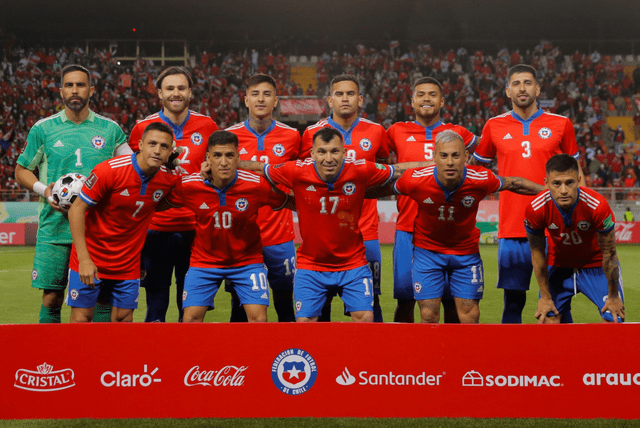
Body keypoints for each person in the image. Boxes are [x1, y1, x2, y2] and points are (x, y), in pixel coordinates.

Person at [371, 130, 543, 323]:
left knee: (470, 315)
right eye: (443, 155)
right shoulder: (417, 179)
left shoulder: (480, 179)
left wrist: (546, 191)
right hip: (428, 252)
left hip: (466, 254)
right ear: (434, 157)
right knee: (428, 314)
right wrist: (348, 191)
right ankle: (432, 354)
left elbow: (514, 184)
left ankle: (465, 353)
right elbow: (381, 189)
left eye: (455, 155)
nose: (450, 162)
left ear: (466, 157)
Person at [238, 127, 402, 322]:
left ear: (344, 152)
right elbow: (260, 169)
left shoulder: (360, 169)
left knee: (366, 318)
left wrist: (437, 165)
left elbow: (398, 171)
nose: (328, 158)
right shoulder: (296, 170)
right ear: (313, 153)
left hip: (352, 263)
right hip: (311, 265)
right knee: (305, 323)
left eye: (334, 151)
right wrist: (224, 166)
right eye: (322, 152)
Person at [15, 64, 130, 324]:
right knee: (51, 299)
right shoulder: (43, 129)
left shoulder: (110, 130)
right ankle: (51, 359)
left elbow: (130, 168)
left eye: (80, 85)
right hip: (54, 227)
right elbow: (21, 170)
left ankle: (97, 361)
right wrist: (45, 190)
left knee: (101, 298)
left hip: (98, 229)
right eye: (69, 85)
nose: (74, 90)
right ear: (61, 91)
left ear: (91, 89)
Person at [470, 64, 582, 324]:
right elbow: (475, 170)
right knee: (513, 301)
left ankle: (565, 363)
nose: (522, 88)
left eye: (528, 82)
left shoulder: (561, 124)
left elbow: (577, 174)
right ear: (508, 91)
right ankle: (510, 362)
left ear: (537, 88)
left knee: (559, 302)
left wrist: (579, 214)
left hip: (555, 227)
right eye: (517, 83)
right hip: (513, 228)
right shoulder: (494, 125)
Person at [166, 131, 291, 323]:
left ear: (238, 158)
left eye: (229, 155)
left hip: (247, 261)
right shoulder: (190, 185)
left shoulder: (256, 185)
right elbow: (156, 201)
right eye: (217, 155)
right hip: (204, 261)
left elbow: (287, 202)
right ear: (208, 158)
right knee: (189, 320)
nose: (223, 162)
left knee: (259, 320)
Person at [300, 74, 393, 322]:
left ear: (360, 99)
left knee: (371, 301)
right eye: (339, 94)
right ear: (330, 100)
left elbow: (383, 171)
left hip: (367, 233)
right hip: (324, 237)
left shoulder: (376, 131)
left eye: (350, 94)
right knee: (321, 309)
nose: (345, 98)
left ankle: (370, 360)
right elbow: (301, 177)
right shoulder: (311, 133)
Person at [129, 66, 218, 322]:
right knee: (156, 305)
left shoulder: (207, 125)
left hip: (197, 229)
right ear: (159, 93)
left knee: (189, 308)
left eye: (181, 88)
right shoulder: (143, 128)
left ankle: (188, 361)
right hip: (156, 228)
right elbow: (135, 175)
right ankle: (154, 361)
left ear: (190, 92)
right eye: (170, 88)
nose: (175, 93)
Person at [386, 77, 478, 323]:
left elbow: (480, 159)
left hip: (447, 233)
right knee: (404, 300)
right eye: (421, 94)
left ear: (442, 101)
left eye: (433, 94)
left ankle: (451, 357)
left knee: (450, 302)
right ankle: (405, 356)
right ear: (412, 101)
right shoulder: (395, 131)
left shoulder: (458, 133)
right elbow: (379, 165)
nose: (427, 98)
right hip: (408, 228)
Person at [67, 122, 179, 322]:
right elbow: (76, 209)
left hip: (127, 264)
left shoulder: (169, 180)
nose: (157, 150)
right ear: (140, 144)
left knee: (124, 323)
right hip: (91, 258)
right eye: (152, 143)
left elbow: (175, 194)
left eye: (164, 146)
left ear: (171, 151)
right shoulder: (109, 171)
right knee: (81, 321)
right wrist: (84, 259)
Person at [225, 74, 301, 322]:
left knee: (284, 303)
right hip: (242, 237)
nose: (261, 99)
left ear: (276, 101)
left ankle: (284, 355)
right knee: (240, 305)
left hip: (279, 237)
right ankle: (241, 360)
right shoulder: (229, 137)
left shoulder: (292, 137)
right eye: (255, 94)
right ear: (245, 100)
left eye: (267, 94)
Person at [524, 154, 625, 323]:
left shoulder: (597, 206)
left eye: (569, 182)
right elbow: (537, 253)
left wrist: (614, 296)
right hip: (559, 267)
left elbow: (610, 253)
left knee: (614, 320)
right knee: (548, 321)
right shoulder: (536, 209)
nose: (563, 190)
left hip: (596, 266)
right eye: (556, 183)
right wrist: (545, 297)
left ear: (578, 180)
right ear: (546, 183)